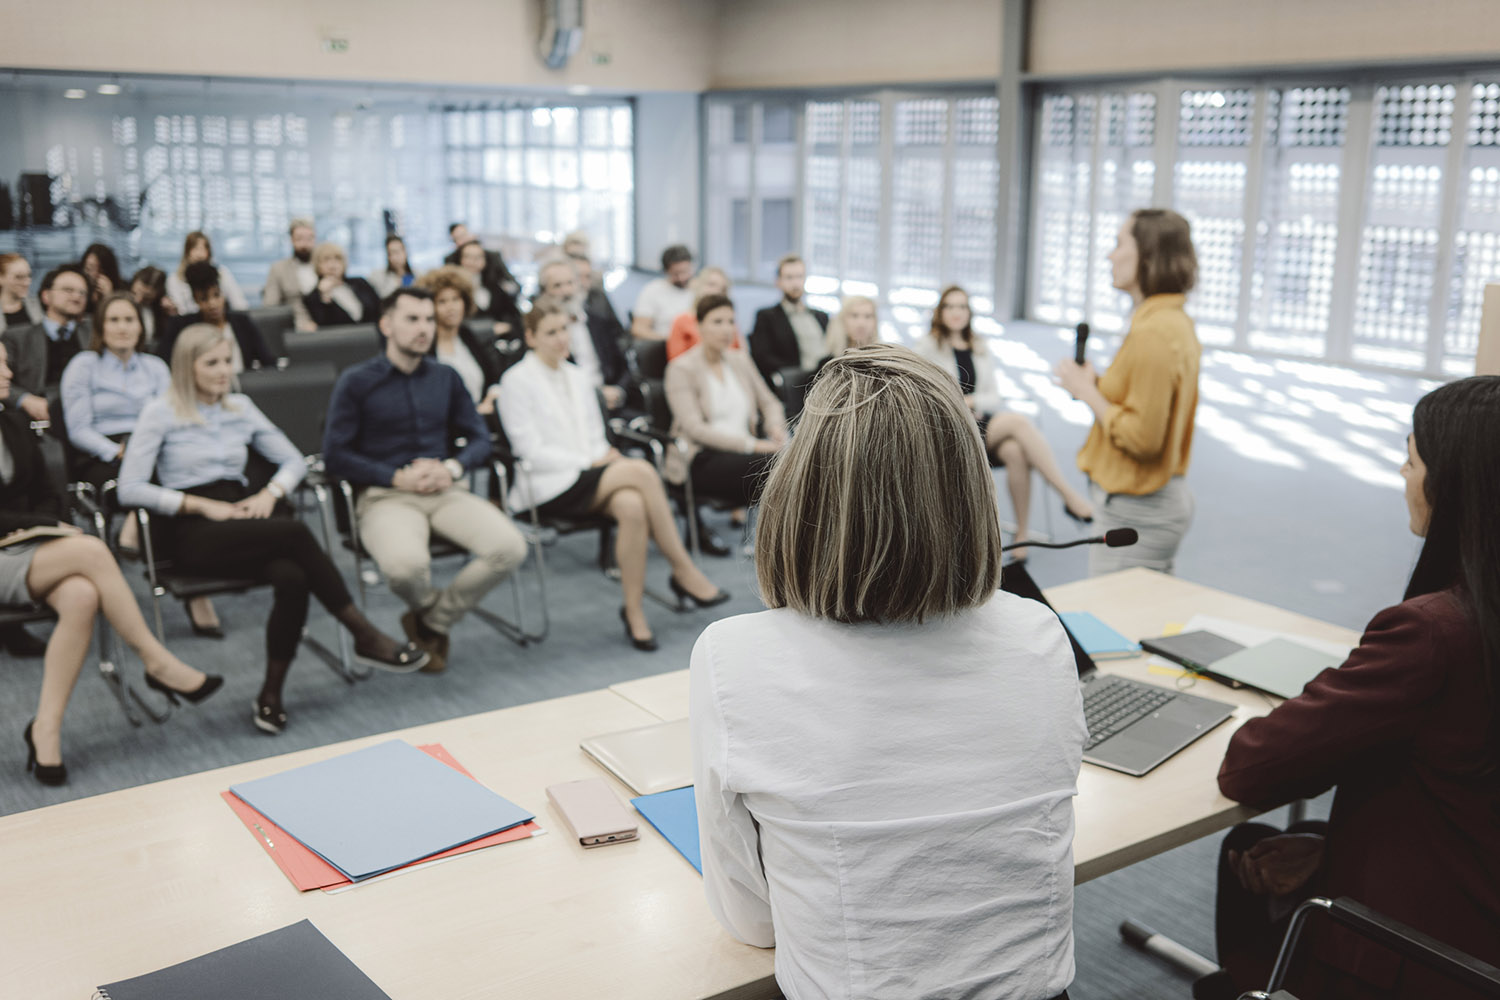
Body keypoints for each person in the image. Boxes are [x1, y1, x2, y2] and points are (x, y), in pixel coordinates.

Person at [691, 344, 1086, 1000]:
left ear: (800, 490)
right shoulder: (1040, 635)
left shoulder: (732, 658)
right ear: (969, 494)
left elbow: (753, 924)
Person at [1209, 375, 1500, 1000]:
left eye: (1412, 460)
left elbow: (1249, 767)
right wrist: (1332, 849)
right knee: (1262, 844)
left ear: (1453, 485)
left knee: (1248, 848)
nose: (1402, 474)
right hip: (1477, 921)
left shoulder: (1433, 633)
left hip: (1425, 960)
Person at [119, 326, 428, 734]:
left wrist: (270, 493)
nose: (224, 371)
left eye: (227, 361)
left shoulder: (240, 407)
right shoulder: (160, 412)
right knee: (295, 533)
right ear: (186, 367)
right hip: (189, 528)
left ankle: (270, 693)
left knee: (293, 575)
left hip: (243, 517)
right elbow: (129, 488)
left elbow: (294, 461)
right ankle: (363, 633)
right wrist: (200, 505)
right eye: (211, 363)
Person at [1, 338, 223, 785]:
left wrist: (45, 524)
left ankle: (45, 728)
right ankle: (156, 661)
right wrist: (39, 526)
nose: (9, 373)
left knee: (82, 595)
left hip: (29, 546)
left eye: (7, 363)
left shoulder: (13, 420)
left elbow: (49, 491)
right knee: (91, 549)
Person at [498, 303, 729, 651]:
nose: (561, 338)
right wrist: (591, 461)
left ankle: (634, 612)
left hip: (590, 475)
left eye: (564, 330)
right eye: (551, 332)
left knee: (632, 506)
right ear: (530, 338)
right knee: (641, 470)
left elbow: (595, 435)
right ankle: (683, 569)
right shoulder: (515, 381)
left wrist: (603, 457)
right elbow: (528, 451)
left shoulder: (577, 375)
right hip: (547, 485)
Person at [322, 287, 529, 675]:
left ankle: (433, 621)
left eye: (430, 320)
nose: (424, 328)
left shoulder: (445, 377)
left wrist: (451, 468)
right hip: (387, 496)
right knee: (405, 568)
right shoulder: (356, 381)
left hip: (445, 489)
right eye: (413, 319)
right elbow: (335, 455)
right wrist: (394, 476)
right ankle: (430, 610)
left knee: (510, 548)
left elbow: (480, 439)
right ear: (386, 325)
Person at [1054, 208, 1200, 576]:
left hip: (1139, 509)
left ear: (1148, 255)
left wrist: (1088, 392)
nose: (1110, 255)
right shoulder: (1165, 320)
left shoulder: (1155, 331)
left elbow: (1143, 437)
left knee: (1112, 612)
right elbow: (1144, 400)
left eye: (1120, 244)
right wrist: (1095, 385)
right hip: (1145, 505)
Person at [919, 284, 1093, 558]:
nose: (956, 312)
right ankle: (1067, 494)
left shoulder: (979, 345)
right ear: (940, 312)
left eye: (962, 306)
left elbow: (993, 396)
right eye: (950, 306)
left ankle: (1021, 536)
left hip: (979, 420)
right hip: (950, 427)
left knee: (1015, 451)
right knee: (1018, 423)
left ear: (969, 312)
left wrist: (972, 401)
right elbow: (924, 393)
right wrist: (960, 404)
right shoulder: (928, 346)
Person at [59, 292, 170, 562]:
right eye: (114, 320)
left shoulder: (155, 367)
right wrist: (116, 451)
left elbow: (170, 417)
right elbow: (78, 430)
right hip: (103, 453)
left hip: (152, 445)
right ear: (101, 327)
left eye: (129, 320)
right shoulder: (83, 365)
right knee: (161, 474)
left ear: (140, 326)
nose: (123, 327)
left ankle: (137, 522)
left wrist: (143, 448)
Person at [664, 295, 786, 512]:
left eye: (731, 322)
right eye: (717, 322)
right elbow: (695, 429)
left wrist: (775, 427)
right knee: (782, 468)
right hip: (702, 457)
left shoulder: (740, 360)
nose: (727, 329)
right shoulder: (680, 369)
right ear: (699, 326)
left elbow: (770, 403)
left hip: (745, 453)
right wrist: (753, 446)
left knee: (790, 465)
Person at [0, 264, 92, 424]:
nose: (76, 297)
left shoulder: (95, 332)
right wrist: (25, 399)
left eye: (82, 292)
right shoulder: (17, 337)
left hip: (87, 413)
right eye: (68, 290)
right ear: (46, 296)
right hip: (37, 420)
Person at [535, 257, 631, 410]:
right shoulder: (541, 336)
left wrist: (618, 391)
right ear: (544, 292)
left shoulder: (598, 322)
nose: (566, 291)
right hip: (569, 406)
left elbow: (622, 366)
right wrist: (596, 395)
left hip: (611, 400)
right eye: (557, 285)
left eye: (570, 283)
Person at [415, 265, 507, 416]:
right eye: (442, 301)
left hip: (483, 418)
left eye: (455, 299)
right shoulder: (424, 347)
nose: (451, 307)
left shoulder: (467, 335)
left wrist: (490, 398)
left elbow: (492, 378)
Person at [159, 262, 275, 372]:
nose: (212, 304)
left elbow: (268, 361)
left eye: (216, 295)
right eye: (204, 299)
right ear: (195, 300)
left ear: (223, 294)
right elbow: (163, 363)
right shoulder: (182, 326)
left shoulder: (242, 323)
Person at [748, 254, 829, 382]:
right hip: (794, 383)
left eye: (799, 276)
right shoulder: (767, 317)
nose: (795, 283)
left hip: (826, 379)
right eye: (789, 277)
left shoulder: (821, 316)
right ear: (778, 282)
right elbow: (762, 357)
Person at [665, 267, 740, 361]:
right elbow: (676, 361)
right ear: (699, 286)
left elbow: (739, 355)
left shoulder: (729, 322)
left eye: (722, 289)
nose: (717, 291)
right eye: (711, 285)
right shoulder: (682, 321)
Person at [164, 231, 247, 314]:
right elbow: (180, 310)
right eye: (195, 248)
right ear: (187, 252)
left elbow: (239, 303)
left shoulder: (221, 273)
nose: (199, 254)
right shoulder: (175, 279)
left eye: (203, 249)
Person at [455, 239, 522, 340]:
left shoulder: (494, 285)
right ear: (460, 259)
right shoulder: (454, 289)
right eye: (468, 257)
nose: (473, 262)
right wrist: (490, 329)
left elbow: (511, 313)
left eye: (478, 257)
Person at [302, 242, 381, 327]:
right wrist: (325, 297)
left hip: (372, 332)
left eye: (337, 259)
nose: (332, 266)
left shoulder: (360, 283)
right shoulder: (313, 297)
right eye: (326, 260)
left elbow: (379, 308)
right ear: (318, 265)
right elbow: (325, 326)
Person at [261, 217, 319, 331]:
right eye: (299, 239)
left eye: (309, 238)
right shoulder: (279, 269)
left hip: (327, 326)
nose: (305, 244)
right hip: (295, 329)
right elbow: (270, 306)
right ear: (291, 240)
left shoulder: (323, 266)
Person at [631, 244, 694, 340]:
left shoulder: (700, 288)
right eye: (676, 273)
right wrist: (670, 341)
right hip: (666, 343)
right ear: (666, 271)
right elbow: (638, 329)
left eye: (685, 271)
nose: (681, 278)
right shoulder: (653, 290)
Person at [127, 265, 175, 351]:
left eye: (146, 297)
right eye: (134, 293)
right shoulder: (122, 302)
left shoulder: (161, 312)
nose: (138, 300)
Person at [0, 253, 42, 333]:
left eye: (29, 275)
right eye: (19, 277)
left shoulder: (39, 306)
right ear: (1, 278)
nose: (27, 283)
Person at [80, 243, 123, 312]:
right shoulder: (79, 286)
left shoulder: (121, 292)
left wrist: (108, 296)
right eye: (88, 268)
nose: (89, 273)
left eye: (100, 271)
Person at [370, 235, 416, 299]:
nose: (393, 258)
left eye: (396, 252)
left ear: (405, 252)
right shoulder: (378, 277)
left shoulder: (417, 275)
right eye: (389, 254)